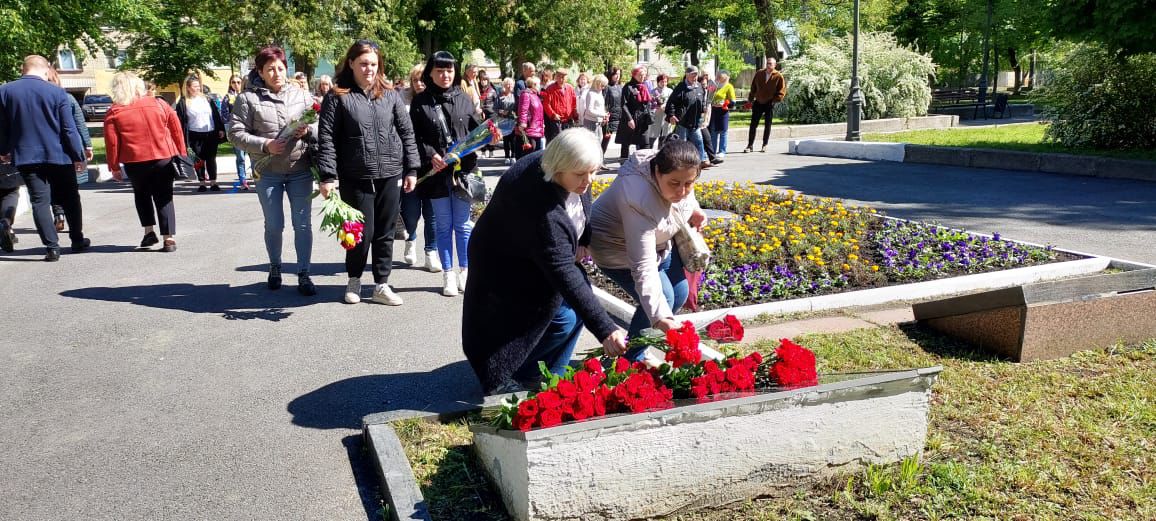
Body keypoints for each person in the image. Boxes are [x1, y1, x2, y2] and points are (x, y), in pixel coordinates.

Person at [463, 128, 628, 394]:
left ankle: (552, 376)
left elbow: (580, 204)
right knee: (554, 318)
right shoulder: (540, 206)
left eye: (593, 171)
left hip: (533, 252)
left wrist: (583, 239)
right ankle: (516, 374)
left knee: (571, 314)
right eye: (581, 174)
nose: (588, 180)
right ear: (560, 167)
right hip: (504, 263)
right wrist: (605, 329)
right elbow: (563, 270)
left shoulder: (568, 169)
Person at [318, 40, 420, 305]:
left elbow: (407, 132)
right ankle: (354, 279)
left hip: (389, 172)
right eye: (363, 63)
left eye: (374, 64)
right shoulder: (338, 96)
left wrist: (411, 168)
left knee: (385, 232)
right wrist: (328, 175)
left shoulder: (390, 94)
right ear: (351, 63)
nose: (369, 69)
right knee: (359, 233)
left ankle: (381, 285)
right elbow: (326, 137)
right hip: (355, 175)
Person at [589, 140, 707, 358]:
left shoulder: (678, 168)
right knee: (664, 301)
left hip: (660, 243)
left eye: (689, 183)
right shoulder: (637, 197)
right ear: (656, 172)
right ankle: (629, 361)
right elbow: (642, 264)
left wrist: (695, 210)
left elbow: (686, 195)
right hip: (616, 248)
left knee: (679, 293)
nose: (682, 191)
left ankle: (635, 351)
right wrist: (663, 320)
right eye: (674, 183)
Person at [228, 46, 319, 295]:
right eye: (270, 69)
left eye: (280, 68)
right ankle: (275, 266)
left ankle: (304, 273)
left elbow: (319, 123)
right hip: (268, 172)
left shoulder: (301, 94)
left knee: (302, 225)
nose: (277, 73)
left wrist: (308, 130)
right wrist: (266, 145)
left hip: (300, 169)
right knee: (274, 225)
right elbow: (234, 133)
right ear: (260, 71)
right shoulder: (248, 99)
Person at [0, 55, 88, 261]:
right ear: (46, 69)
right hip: (59, 155)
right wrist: (78, 155)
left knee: (39, 200)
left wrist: (3, 150)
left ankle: (52, 247)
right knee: (70, 198)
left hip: (26, 156)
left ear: (24, 69)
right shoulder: (57, 92)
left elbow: (2, 126)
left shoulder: (5, 91)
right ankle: (76, 239)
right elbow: (68, 129)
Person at [410, 51, 482, 297]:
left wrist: (491, 135)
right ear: (430, 72)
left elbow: (476, 132)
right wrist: (431, 154)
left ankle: (465, 271)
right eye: (440, 70)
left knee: (462, 225)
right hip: (435, 172)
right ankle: (448, 274)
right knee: (443, 225)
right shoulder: (421, 102)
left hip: (463, 171)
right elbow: (414, 138)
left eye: (449, 70)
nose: (445, 75)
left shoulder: (464, 98)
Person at [103, 72, 185, 252]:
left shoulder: (115, 110)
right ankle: (168, 238)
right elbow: (176, 129)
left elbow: (112, 142)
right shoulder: (159, 103)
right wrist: (182, 153)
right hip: (163, 156)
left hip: (134, 161)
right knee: (164, 197)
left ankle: (149, 231)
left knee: (141, 195)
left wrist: (114, 166)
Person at [399, 63, 440, 273]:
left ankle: (431, 251)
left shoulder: (436, 99)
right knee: (411, 210)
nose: (420, 84)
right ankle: (411, 238)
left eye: (423, 79)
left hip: (432, 163)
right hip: (408, 163)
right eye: (416, 80)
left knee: (431, 212)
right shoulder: (402, 100)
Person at [45, 67, 92, 231]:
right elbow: (79, 124)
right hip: (69, 149)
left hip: (47, 149)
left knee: (52, 185)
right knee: (71, 188)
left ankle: (58, 213)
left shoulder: (38, 100)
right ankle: (75, 228)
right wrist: (87, 145)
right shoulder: (68, 98)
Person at [174, 75, 226, 191]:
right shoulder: (183, 102)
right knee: (198, 160)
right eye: (194, 86)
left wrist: (220, 129)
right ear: (188, 88)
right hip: (194, 135)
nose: (197, 88)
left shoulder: (207, 99)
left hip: (210, 133)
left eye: (198, 86)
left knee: (211, 158)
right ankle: (202, 182)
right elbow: (180, 121)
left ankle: (213, 182)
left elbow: (215, 115)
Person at [665, 66, 709, 167]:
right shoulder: (681, 87)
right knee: (682, 143)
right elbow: (671, 102)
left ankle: (701, 161)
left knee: (698, 141)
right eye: (693, 75)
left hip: (695, 121)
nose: (695, 77)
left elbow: (702, 100)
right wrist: (671, 115)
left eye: (696, 75)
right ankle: (681, 162)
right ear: (687, 75)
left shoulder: (699, 86)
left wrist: (703, 108)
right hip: (683, 121)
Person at [745, 55, 787, 153]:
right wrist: (750, 100)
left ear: (775, 65)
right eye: (767, 63)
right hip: (758, 102)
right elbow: (753, 87)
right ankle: (749, 145)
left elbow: (782, 91)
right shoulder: (759, 73)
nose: (768, 65)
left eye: (770, 64)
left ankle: (765, 145)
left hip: (769, 103)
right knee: (753, 125)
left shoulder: (778, 76)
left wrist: (774, 100)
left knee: (767, 125)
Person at [615, 64, 653, 159]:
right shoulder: (628, 87)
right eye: (640, 75)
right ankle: (623, 166)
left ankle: (642, 164)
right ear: (634, 75)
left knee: (645, 143)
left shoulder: (644, 86)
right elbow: (623, 105)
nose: (642, 77)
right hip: (631, 119)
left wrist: (649, 115)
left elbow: (647, 103)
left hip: (643, 120)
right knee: (626, 143)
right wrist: (629, 119)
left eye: (644, 75)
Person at [221, 74, 251, 190]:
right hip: (236, 131)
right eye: (233, 82)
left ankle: (257, 178)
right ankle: (243, 181)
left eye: (239, 82)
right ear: (230, 84)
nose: (236, 85)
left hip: (250, 130)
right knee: (240, 157)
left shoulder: (248, 95)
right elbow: (224, 115)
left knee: (253, 155)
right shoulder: (228, 97)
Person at [541, 68, 577, 142]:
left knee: (568, 141)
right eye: (559, 77)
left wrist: (575, 115)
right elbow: (546, 104)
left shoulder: (570, 88)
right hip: (556, 121)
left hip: (568, 120)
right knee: (556, 141)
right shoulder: (550, 88)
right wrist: (553, 115)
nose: (561, 79)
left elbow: (574, 103)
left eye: (563, 77)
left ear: (566, 78)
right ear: (556, 77)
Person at [709, 70, 736, 160]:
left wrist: (724, 104)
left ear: (724, 78)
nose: (718, 79)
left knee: (723, 132)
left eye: (720, 77)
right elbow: (709, 96)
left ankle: (722, 151)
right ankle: (712, 151)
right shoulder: (714, 85)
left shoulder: (729, 86)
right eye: (717, 77)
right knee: (713, 132)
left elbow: (733, 102)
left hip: (723, 112)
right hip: (713, 111)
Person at [516, 76, 545, 159]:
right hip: (530, 129)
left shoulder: (535, 95)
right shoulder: (526, 94)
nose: (540, 86)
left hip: (537, 129)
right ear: (534, 84)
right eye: (539, 84)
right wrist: (523, 123)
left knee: (536, 155)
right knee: (529, 155)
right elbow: (523, 109)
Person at [646, 73, 673, 148]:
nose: (664, 83)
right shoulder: (653, 92)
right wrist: (655, 107)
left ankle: (660, 153)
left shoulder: (670, 91)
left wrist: (665, 106)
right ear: (658, 82)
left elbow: (672, 103)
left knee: (664, 137)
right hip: (656, 116)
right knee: (652, 136)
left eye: (665, 81)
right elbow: (649, 104)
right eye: (662, 82)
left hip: (665, 117)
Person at [495, 77, 518, 165]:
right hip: (503, 120)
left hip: (512, 120)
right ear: (504, 85)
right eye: (508, 84)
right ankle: (507, 156)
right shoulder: (500, 96)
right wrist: (501, 111)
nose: (509, 86)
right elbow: (495, 108)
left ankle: (513, 155)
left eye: (511, 84)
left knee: (513, 139)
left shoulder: (514, 95)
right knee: (506, 139)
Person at [579, 74, 609, 140]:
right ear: (597, 83)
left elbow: (599, 107)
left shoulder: (599, 92)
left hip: (598, 123)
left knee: (599, 142)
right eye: (602, 85)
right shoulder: (591, 93)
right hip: (590, 122)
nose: (603, 87)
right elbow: (589, 110)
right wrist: (603, 115)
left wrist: (604, 116)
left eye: (604, 86)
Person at [601, 67, 623, 155]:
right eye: (615, 74)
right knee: (605, 139)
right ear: (611, 75)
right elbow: (604, 102)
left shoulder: (620, 87)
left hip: (619, 116)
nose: (617, 76)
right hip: (609, 117)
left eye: (619, 74)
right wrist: (605, 115)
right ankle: (599, 158)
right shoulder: (607, 87)